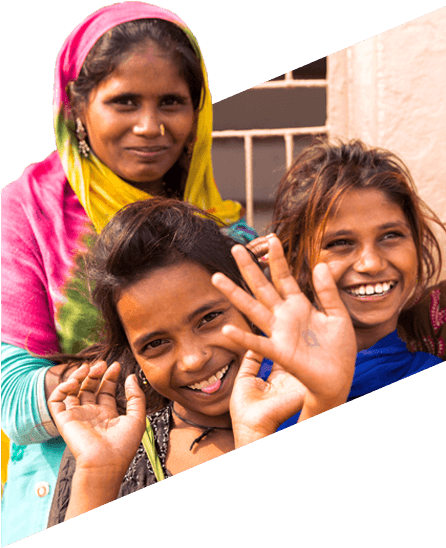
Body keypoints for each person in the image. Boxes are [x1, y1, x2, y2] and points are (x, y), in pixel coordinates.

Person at [1, 3, 258, 545]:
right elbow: (12, 396)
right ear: (77, 108)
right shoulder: (26, 213)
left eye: (171, 102)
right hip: (68, 494)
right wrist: (143, 371)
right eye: (124, 102)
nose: (150, 126)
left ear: (199, 110)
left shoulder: (230, 235)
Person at [46, 198, 356, 523]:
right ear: (134, 357)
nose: (194, 359)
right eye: (157, 343)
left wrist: (321, 403)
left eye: (208, 318)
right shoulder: (107, 449)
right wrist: (99, 474)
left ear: (247, 303)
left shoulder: (312, 404)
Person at [264, 137, 445, 429]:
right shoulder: (264, 385)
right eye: (341, 242)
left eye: (390, 236)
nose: (371, 264)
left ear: (417, 242)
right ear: (300, 258)